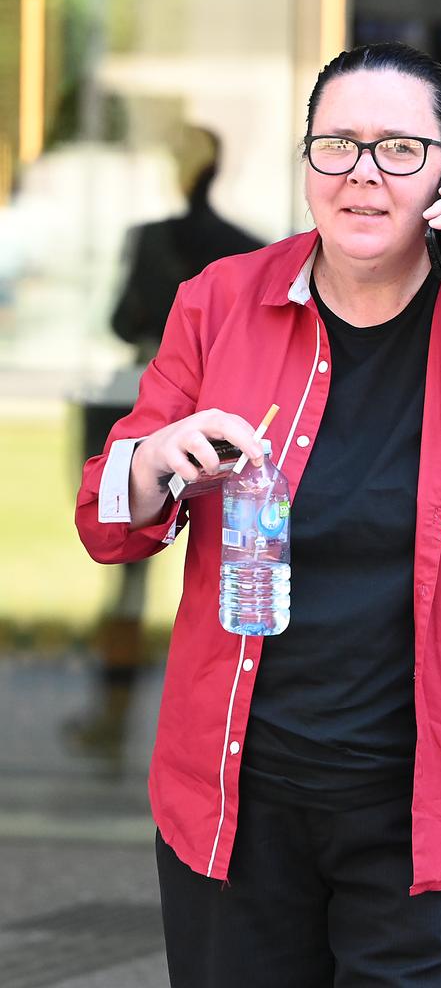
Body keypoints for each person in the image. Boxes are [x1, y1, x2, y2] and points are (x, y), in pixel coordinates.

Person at [75, 43, 441, 987]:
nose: (363, 174)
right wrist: (159, 460)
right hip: (239, 802)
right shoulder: (220, 303)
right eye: (336, 145)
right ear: (306, 166)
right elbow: (104, 517)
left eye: (399, 149)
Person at [69, 124, 262, 760]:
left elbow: (122, 318)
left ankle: (115, 713)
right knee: (223, 559)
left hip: (166, 413)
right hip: (207, 420)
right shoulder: (242, 249)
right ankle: (127, 716)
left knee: (146, 579)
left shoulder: (153, 240)